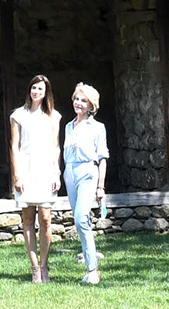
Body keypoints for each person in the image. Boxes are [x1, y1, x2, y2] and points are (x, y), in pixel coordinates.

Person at [8, 74, 61, 282]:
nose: (36, 92)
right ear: (29, 90)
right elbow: (14, 146)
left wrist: (56, 171)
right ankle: (35, 268)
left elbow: (56, 146)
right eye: (34, 88)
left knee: (46, 218)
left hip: (46, 170)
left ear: (46, 92)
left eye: (40, 89)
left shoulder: (53, 116)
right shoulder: (18, 115)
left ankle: (45, 264)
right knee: (28, 219)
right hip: (26, 169)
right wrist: (17, 174)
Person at [63, 82, 109, 285]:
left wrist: (101, 186)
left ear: (91, 106)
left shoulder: (98, 127)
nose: (79, 103)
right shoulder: (68, 126)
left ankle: (93, 270)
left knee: (82, 219)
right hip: (69, 172)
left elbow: (102, 158)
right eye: (76, 99)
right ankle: (89, 264)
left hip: (88, 172)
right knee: (78, 221)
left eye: (84, 101)